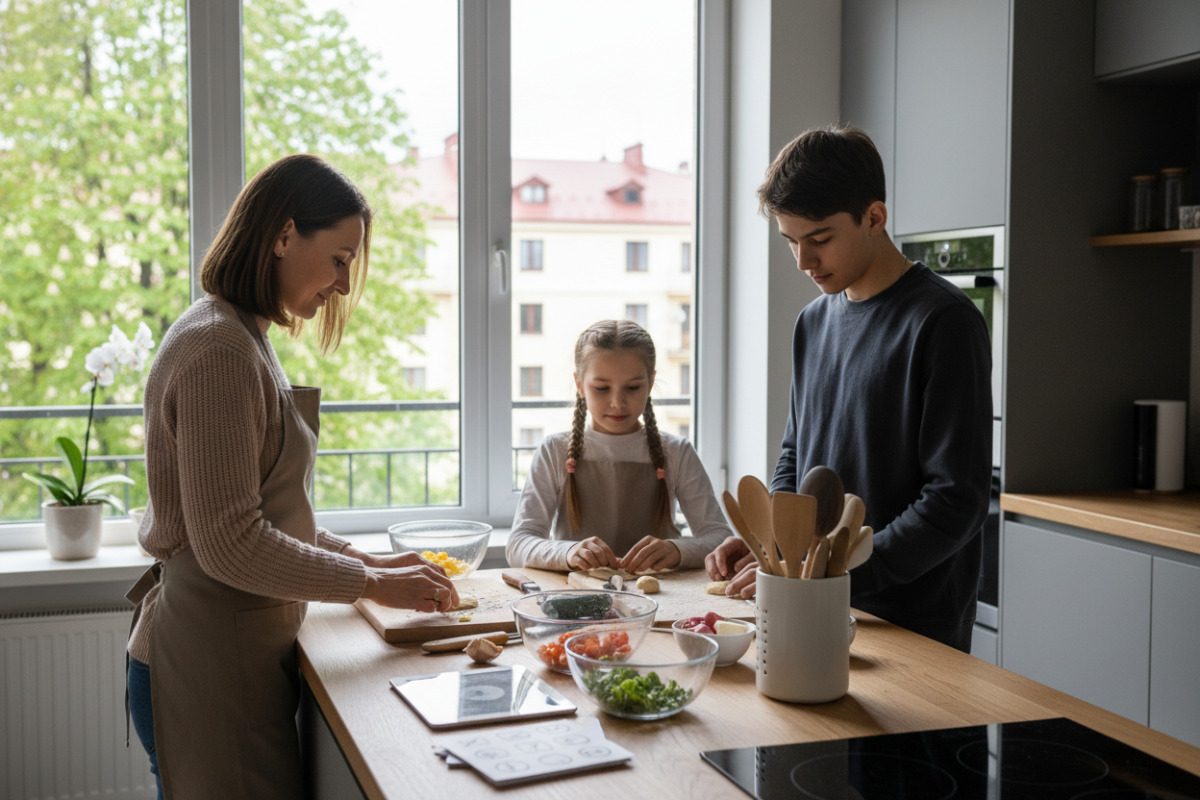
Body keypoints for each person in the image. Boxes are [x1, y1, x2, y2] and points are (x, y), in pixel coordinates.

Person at [124, 153, 458, 800]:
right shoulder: (218, 349)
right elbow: (231, 541)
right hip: (208, 666)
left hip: (233, 656)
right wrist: (369, 582)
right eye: (338, 257)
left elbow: (272, 518)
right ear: (282, 235)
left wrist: (375, 564)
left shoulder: (244, 337)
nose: (341, 281)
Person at [705, 125, 992, 652]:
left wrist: (836, 574)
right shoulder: (812, 322)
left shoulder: (944, 322)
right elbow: (795, 457)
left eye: (819, 239)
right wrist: (770, 545)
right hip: (813, 603)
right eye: (791, 241)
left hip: (910, 622)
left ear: (874, 218)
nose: (802, 262)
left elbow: (957, 499)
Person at [506, 319, 730, 573]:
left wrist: (677, 550)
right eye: (601, 388)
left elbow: (720, 538)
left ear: (651, 382)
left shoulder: (677, 452)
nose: (617, 402)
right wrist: (568, 552)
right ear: (579, 384)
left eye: (633, 387)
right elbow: (518, 544)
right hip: (573, 601)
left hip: (660, 600)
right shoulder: (554, 451)